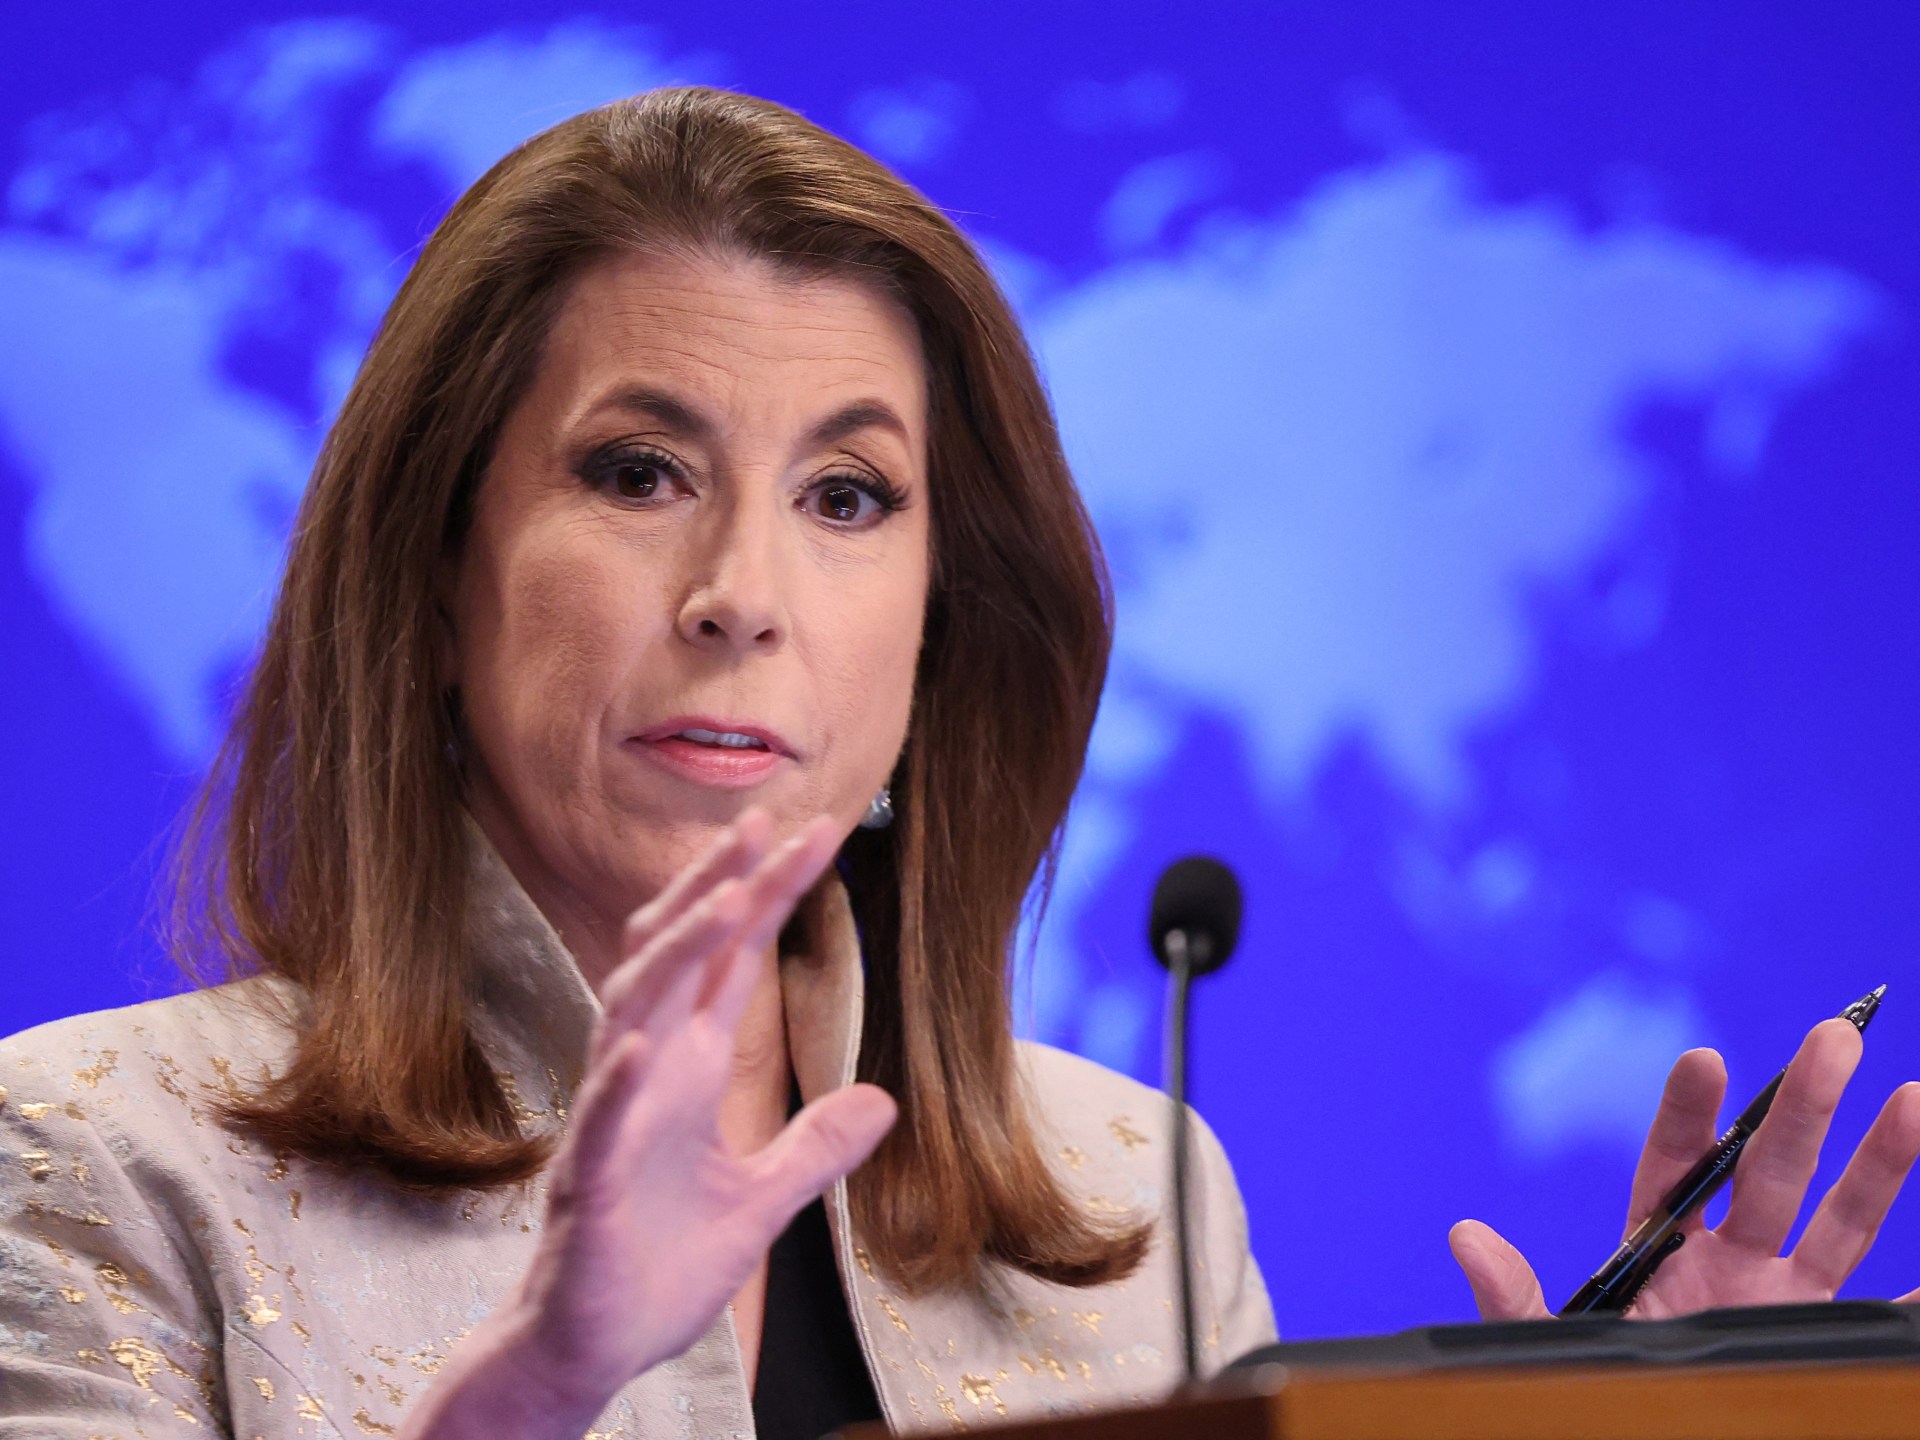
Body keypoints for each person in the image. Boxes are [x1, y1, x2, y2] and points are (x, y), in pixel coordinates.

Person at [0, 87, 1913, 1440]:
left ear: (937, 629)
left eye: (848, 496)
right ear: (435, 574)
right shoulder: (92, 1159)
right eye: (638, 472)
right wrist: (537, 1399)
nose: (743, 594)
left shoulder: (1135, 1200)